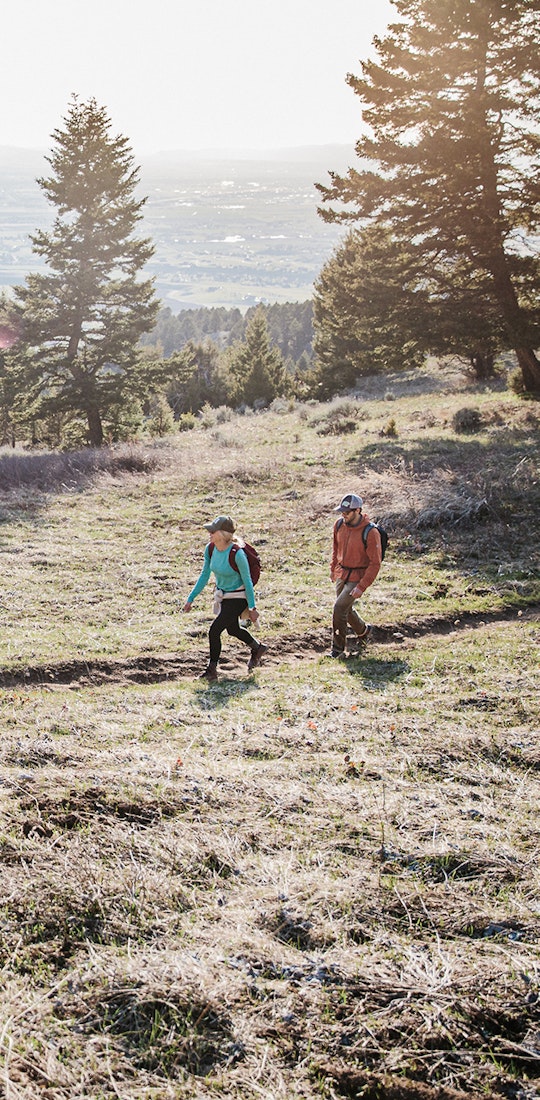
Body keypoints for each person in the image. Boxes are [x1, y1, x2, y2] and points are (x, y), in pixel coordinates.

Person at [183, 514, 267, 681]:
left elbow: (248, 581)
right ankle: (258, 648)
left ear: (222, 534)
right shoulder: (211, 549)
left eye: (212, 531)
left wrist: (252, 608)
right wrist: (191, 598)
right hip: (223, 595)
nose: (210, 534)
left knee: (214, 631)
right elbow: (204, 575)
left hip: (238, 596)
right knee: (233, 629)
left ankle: (212, 670)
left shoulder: (237, 553)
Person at [329, 493, 382, 658]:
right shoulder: (339, 525)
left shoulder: (371, 532)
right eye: (342, 512)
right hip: (342, 574)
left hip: (358, 577)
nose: (343, 515)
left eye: (347, 512)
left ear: (358, 510)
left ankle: (337, 650)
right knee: (345, 608)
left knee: (339, 608)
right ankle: (364, 632)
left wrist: (361, 586)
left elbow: (375, 563)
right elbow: (335, 549)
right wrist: (333, 569)